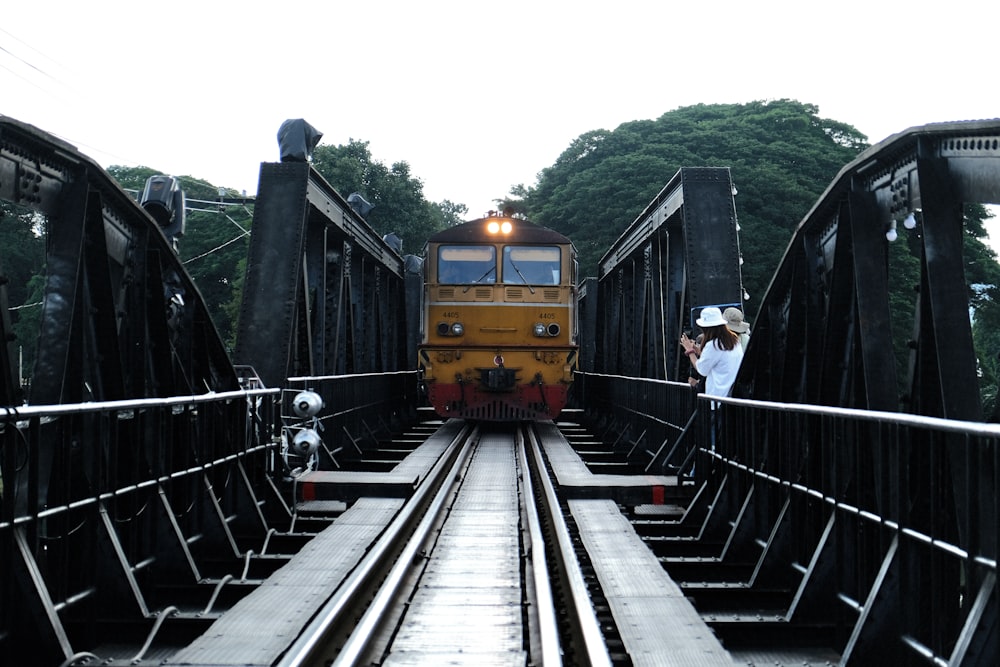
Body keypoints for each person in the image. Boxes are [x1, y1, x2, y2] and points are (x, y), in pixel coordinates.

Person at [679, 306, 744, 402]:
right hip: (731, 396)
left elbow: (702, 369)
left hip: (717, 397)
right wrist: (698, 350)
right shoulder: (733, 340)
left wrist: (690, 351)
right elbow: (719, 358)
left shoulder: (713, 344)